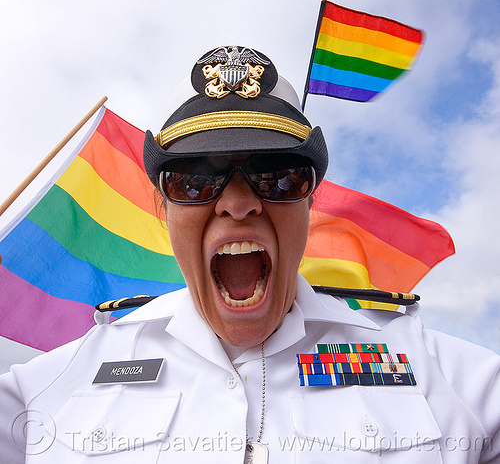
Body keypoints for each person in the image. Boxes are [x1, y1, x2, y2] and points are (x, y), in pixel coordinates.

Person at [0, 45, 499, 463]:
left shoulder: (438, 372)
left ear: (309, 201)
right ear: (166, 208)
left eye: (277, 175)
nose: (238, 204)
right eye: (194, 180)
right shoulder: (50, 384)